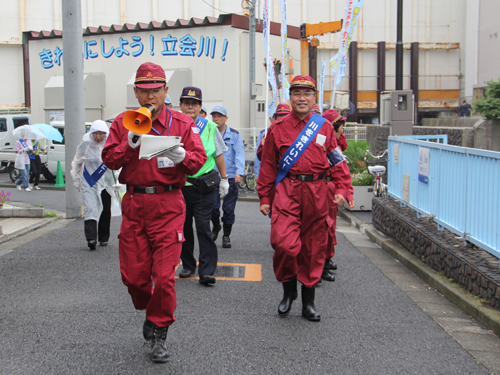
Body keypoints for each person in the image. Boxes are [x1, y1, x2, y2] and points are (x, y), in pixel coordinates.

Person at [102, 62, 207, 363]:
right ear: (135, 92)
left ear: (166, 91)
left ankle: (159, 332)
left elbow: (198, 161)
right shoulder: (123, 122)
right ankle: (151, 311)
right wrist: (128, 144)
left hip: (169, 204)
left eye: (156, 91)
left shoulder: (183, 124)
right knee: (134, 278)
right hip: (135, 204)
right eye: (144, 91)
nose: (150, 97)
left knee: (164, 277)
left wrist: (183, 155)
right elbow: (108, 158)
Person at [257, 75, 350, 322]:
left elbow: (337, 161)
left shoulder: (325, 127)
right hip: (287, 191)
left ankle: (308, 301)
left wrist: (343, 189)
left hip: (318, 193)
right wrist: (264, 196)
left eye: (307, 94)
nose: (302, 98)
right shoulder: (277, 129)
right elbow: (267, 166)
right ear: (291, 97)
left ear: (314, 98)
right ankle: (289, 290)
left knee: (313, 249)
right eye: (297, 93)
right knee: (284, 244)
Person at [178, 86, 229, 286]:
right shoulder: (174, 125)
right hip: (181, 186)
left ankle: (207, 270)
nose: (190, 107)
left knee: (202, 227)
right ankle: (188, 264)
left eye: (194, 104)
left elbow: (218, 153)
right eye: (186, 103)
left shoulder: (210, 127)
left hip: (204, 185)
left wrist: (224, 179)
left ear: (200, 107)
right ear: (181, 105)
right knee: (183, 228)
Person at [71, 120, 116, 250]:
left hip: (106, 181)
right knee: (90, 207)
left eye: (101, 134)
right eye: (95, 134)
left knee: (105, 208)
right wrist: (76, 176)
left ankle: (103, 237)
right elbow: (77, 161)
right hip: (89, 180)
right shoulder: (85, 145)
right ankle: (91, 238)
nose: (98, 137)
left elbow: (116, 162)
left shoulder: (110, 144)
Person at [321, 109, 355, 281]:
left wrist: (347, 192)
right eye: (340, 125)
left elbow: (342, 169)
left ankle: (324, 263)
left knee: (329, 228)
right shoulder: (322, 141)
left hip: (331, 188)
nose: (343, 129)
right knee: (320, 228)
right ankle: (318, 265)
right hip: (321, 187)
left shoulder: (335, 143)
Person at [210, 106, 245, 248]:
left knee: (229, 208)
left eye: (220, 116)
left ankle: (226, 235)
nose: (216, 119)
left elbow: (240, 154)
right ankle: (216, 226)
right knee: (213, 207)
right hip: (212, 176)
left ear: (226, 118)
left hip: (230, 176)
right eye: (214, 116)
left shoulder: (235, 135)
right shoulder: (209, 133)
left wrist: (239, 172)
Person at [255, 103, 291, 179]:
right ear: (275, 118)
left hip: (290, 176)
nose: (283, 119)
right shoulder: (268, 133)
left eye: (286, 116)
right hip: (273, 175)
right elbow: (260, 157)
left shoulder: (296, 133)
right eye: (280, 116)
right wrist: (263, 147)